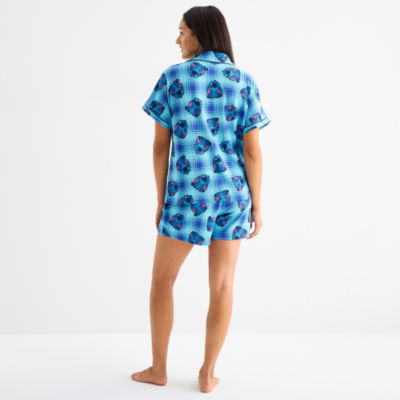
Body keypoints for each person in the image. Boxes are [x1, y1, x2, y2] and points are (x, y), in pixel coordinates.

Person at [131, 5, 271, 393]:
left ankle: (159, 369)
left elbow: (160, 148)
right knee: (222, 286)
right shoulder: (243, 81)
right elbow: (253, 151)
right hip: (232, 196)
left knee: (162, 281)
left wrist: (161, 198)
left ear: (200, 34)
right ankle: (208, 375)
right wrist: (257, 204)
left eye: (182, 31)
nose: (177, 39)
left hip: (185, 196)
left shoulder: (173, 78)